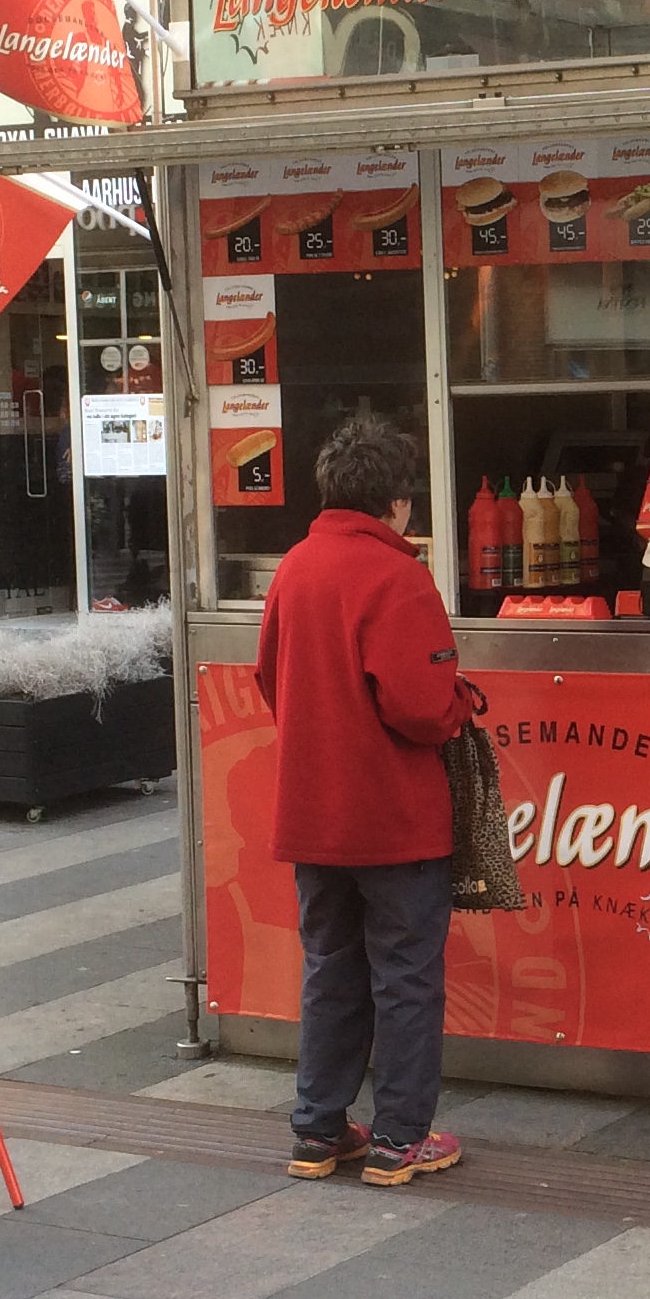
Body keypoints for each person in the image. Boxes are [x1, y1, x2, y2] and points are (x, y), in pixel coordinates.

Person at [254, 412, 469, 1186]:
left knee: (330, 969)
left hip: (312, 814)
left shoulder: (294, 568)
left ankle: (317, 1131)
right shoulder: (399, 576)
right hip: (394, 819)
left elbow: (268, 677)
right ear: (398, 502)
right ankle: (400, 1139)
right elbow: (422, 707)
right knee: (406, 977)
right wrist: (459, 703)